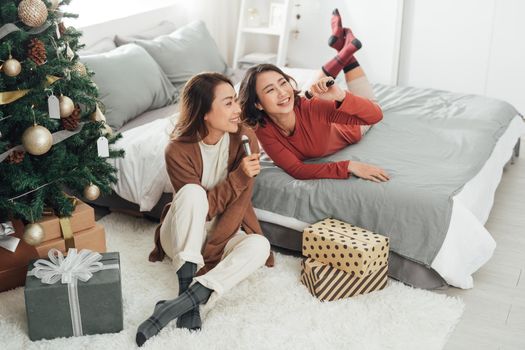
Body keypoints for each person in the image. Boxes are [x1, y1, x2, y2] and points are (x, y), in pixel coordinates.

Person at [137, 72, 274, 347]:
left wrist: (214, 251)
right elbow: (205, 209)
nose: (238, 110)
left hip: (220, 234)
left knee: (259, 245)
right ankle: (185, 285)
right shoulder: (176, 150)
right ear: (205, 113)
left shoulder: (245, 139)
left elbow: (240, 204)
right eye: (228, 103)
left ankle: (181, 302)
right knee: (192, 193)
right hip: (181, 233)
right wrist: (239, 176)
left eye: (236, 101)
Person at [239, 9, 390, 182]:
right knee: (309, 93)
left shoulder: (312, 107)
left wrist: (341, 96)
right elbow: (297, 169)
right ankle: (343, 48)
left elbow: (376, 115)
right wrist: (348, 166)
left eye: (283, 83)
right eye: (270, 90)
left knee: (372, 103)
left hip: (350, 129)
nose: (282, 93)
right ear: (257, 104)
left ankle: (345, 49)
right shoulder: (263, 128)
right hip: (309, 110)